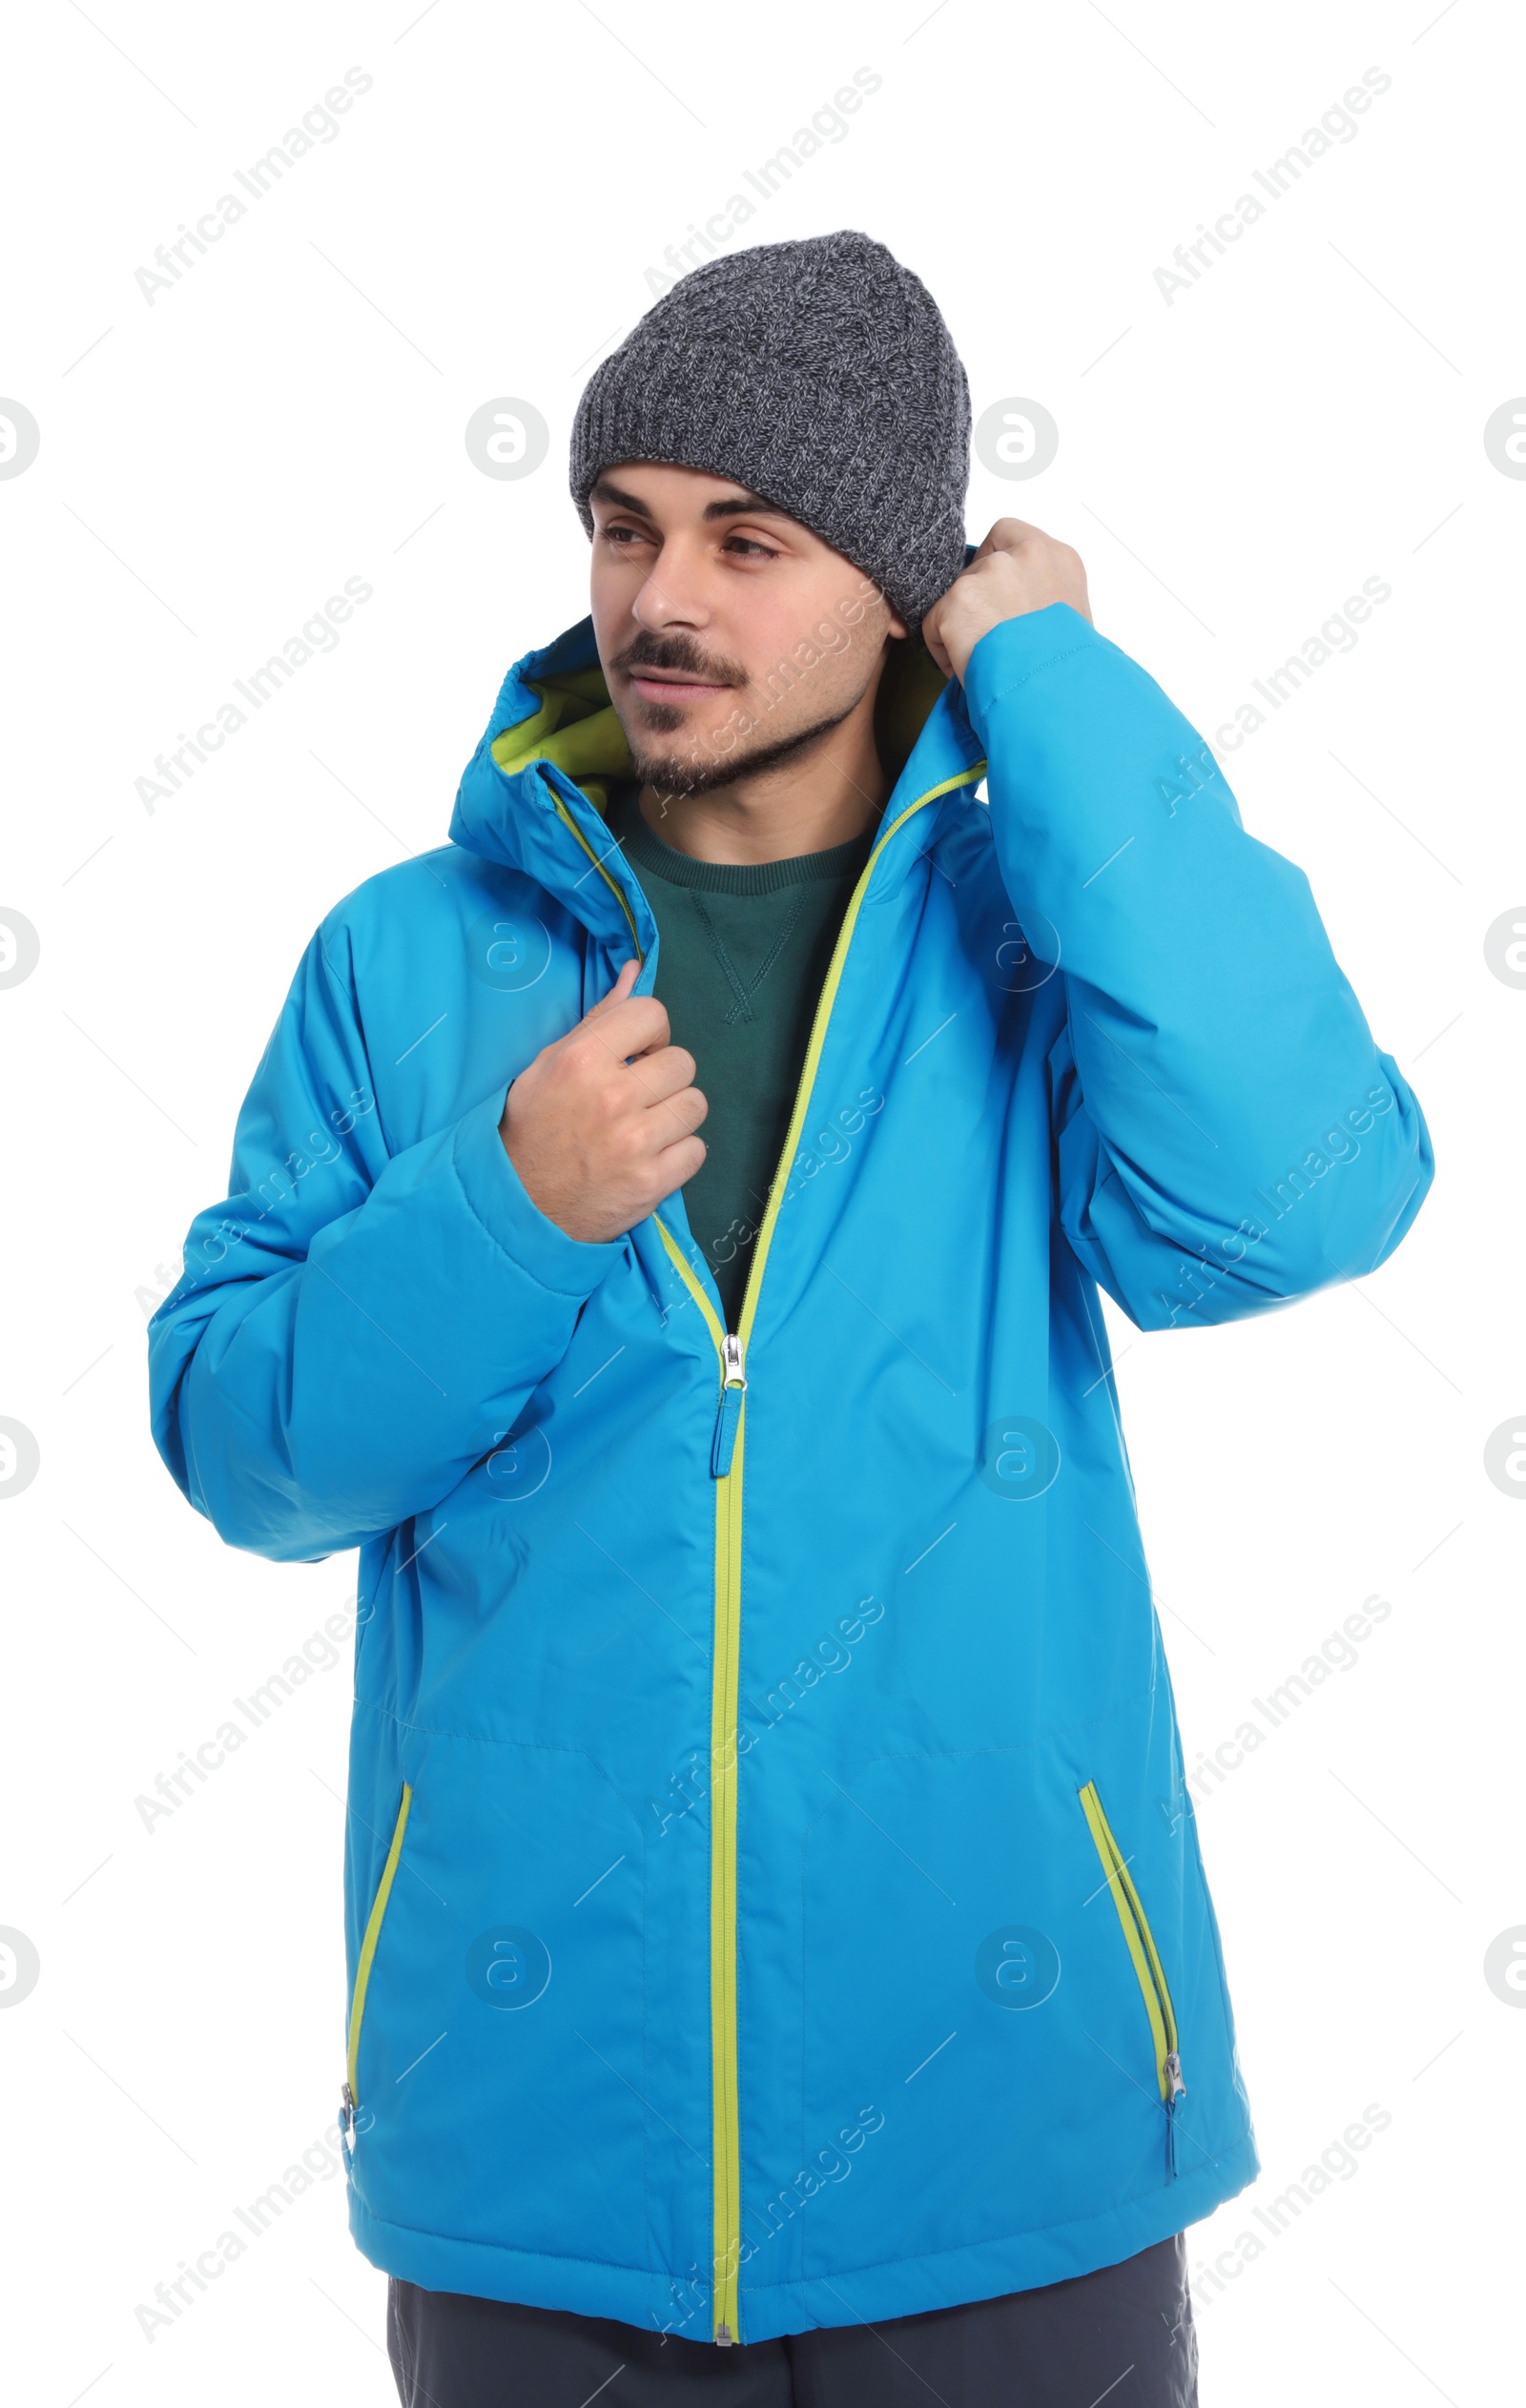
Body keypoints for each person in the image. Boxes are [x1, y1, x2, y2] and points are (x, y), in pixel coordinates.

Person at [148, 231, 1433, 2406]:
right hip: (531, 2163)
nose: (657, 601)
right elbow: (247, 1451)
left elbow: (1301, 1199)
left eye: (749, 541)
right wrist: (501, 1213)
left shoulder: (1042, 948)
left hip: (1003, 2156)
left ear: (897, 590)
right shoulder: (403, 960)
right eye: (623, 526)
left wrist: (1055, 699)